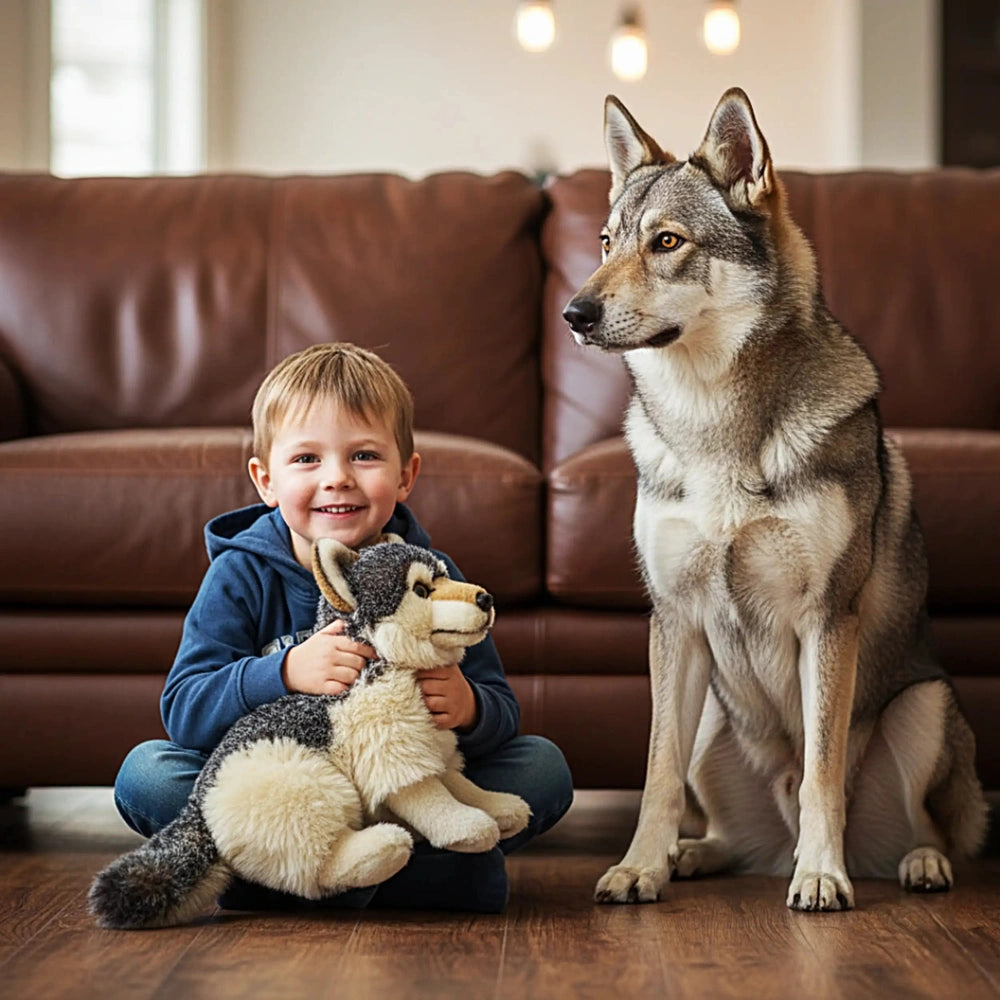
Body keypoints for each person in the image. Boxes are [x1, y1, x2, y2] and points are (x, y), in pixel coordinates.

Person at [113, 342, 573, 913]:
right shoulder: (241, 573)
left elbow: (502, 710)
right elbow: (185, 709)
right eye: (307, 459)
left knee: (541, 766)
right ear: (265, 480)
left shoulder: (432, 576)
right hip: (292, 795)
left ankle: (302, 880)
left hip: (408, 789)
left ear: (406, 476)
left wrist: (469, 707)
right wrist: (281, 673)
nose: (337, 478)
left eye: (364, 456)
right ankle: (426, 876)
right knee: (148, 774)